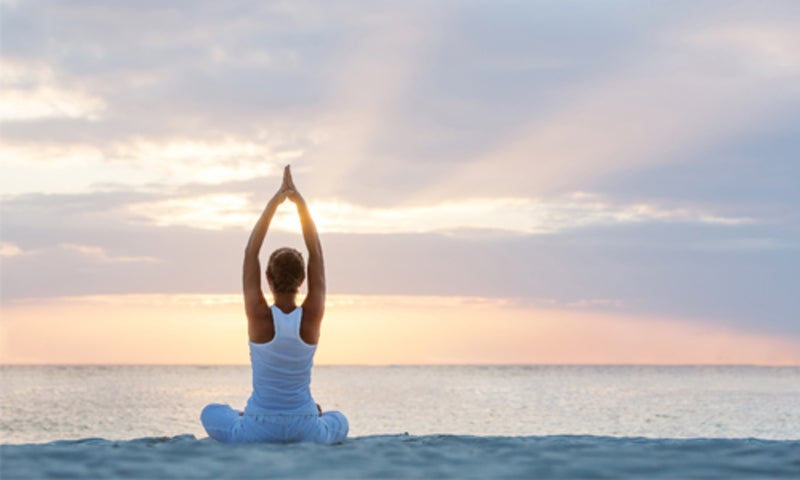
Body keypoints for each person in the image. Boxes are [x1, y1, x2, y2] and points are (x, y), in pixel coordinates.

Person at [200, 165, 348, 444]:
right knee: (340, 420)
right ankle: (313, 414)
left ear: (267, 278)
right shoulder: (311, 316)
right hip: (306, 425)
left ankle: (242, 415)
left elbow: (250, 251)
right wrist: (299, 203)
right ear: (303, 279)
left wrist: (275, 202)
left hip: (258, 426)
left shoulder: (258, 316)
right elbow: (315, 249)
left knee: (211, 412)